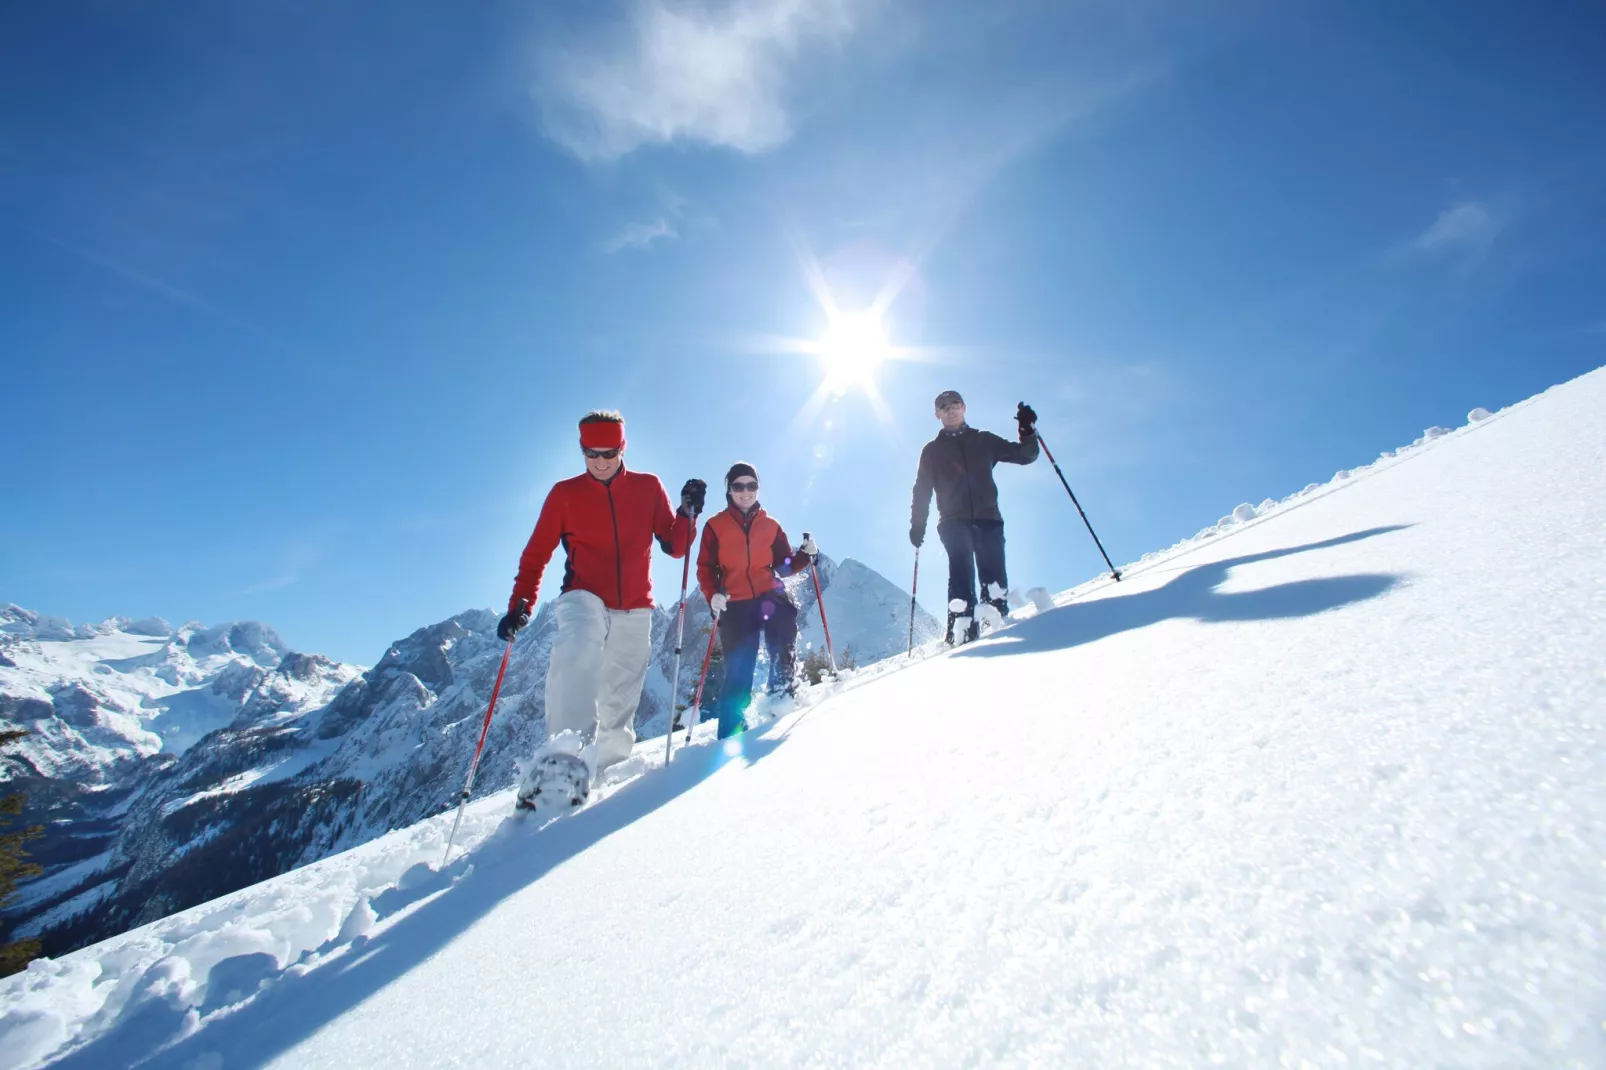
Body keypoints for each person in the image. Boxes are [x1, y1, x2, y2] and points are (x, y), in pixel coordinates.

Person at [498, 410, 706, 809]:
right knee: (578, 646)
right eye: (591, 452)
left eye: (608, 451)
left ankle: (601, 774)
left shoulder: (647, 487)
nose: (600, 460)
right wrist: (520, 603)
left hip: (635, 606)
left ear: (622, 448)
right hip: (583, 594)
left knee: (619, 701)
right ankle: (563, 759)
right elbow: (536, 553)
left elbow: (675, 546)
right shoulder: (565, 493)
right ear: (581, 450)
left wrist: (685, 513)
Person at [696, 462, 817, 739]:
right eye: (738, 486)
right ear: (729, 490)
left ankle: (781, 693)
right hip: (735, 602)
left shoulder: (770, 525)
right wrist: (712, 593)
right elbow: (705, 567)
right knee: (739, 668)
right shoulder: (715, 526)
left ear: (758, 488)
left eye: (751, 485)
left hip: (768, 593)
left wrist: (805, 555)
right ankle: (730, 731)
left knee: (783, 626)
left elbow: (784, 565)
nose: (745, 492)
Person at [909, 390, 1039, 645]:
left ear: (964, 407)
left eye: (955, 403)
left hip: (988, 518)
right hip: (952, 521)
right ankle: (961, 632)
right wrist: (917, 525)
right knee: (961, 569)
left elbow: (1026, 455)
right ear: (937, 414)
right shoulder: (932, 451)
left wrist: (1026, 429)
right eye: (943, 406)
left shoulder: (984, 440)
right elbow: (921, 490)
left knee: (994, 576)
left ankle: (997, 625)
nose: (950, 409)